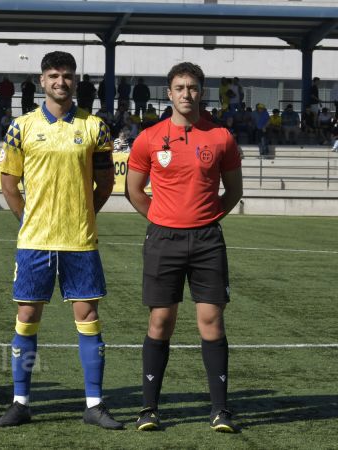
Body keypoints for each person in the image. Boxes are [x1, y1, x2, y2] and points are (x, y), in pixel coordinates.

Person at [0, 51, 121, 430]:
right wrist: (27, 219)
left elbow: (105, 183)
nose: (60, 82)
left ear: (75, 81)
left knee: (88, 317)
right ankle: (20, 401)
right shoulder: (21, 127)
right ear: (42, 80)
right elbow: (9, 183)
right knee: (27, 316)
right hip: (34, 240)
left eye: (67, 76)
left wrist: (83, 214)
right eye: (53, 75)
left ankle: (94, 404)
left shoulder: (96, 128)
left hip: (79, 241)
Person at [125, 61, 243, 433]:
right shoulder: (149, 137)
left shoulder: (221, 136)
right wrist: (163, 218)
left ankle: (220, 411)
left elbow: (234, 191)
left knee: (211, 321)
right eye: (179, 87)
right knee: (161, 321)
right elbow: (134, 190)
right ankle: (149, 409)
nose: (186, 94)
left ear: (201, 91)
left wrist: (205, 219)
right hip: (163, 239)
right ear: (169, 93)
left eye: (193, 87)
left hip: (207, 240)